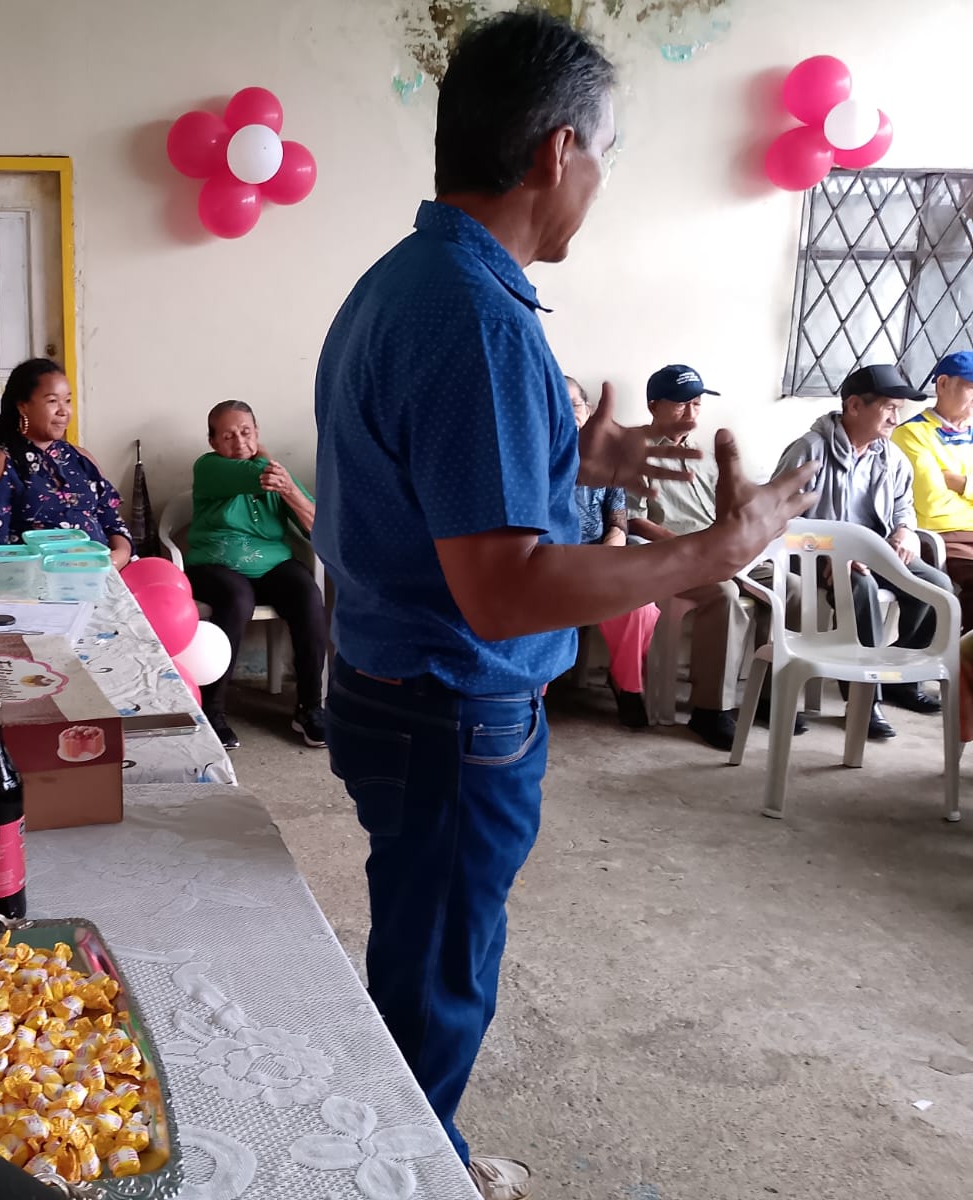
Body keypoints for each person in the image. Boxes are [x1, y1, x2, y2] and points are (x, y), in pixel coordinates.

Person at [312, 12, 816, 1197]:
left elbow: (434, 490)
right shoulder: (476, 318)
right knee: (441, 976)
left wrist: (572, 465)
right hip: (450, 709)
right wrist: (715, 549)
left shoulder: (412, 281)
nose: (599, 182)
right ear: (557, 150)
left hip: (397, 689)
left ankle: (415, 1146)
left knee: (424, 947)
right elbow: (503, 593)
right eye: (605, 155)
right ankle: (409, 1171)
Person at [774, 363, 950, 739]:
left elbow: (903, 507)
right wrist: (829, 553)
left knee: (938, 588)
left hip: (874, 553)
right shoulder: (810, 450)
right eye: (888, 408)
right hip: (813, 558)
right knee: (860, 586)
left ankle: (899, 680)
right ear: (854, 406)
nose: (896, 418)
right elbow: (778, 522)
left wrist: (904, 531)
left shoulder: (890, 456)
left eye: (898, 409)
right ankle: (864, 701)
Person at [626, 364, 776, 749]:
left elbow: (726, 511)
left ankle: (768, 696)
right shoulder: (634, 452)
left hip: (717, 551)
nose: (691, 413)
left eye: (696, 403)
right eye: (680, 404)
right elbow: (633, 521)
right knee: (723, 595)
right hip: (670, 556)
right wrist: (689, 547)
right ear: (653, 405)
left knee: (787, 586)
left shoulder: (704, 456)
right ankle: (710, 710)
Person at [185, 401, 328, 750]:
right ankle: (212, 711)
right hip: (214, 566)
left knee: (307, 593)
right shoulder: (209, 467)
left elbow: (317, 526)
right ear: (213, 442)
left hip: (270, 566)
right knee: (237, 598)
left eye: (246, 432)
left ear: (257, 432)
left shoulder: (276, 474)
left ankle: (310, 708)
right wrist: (267, 458)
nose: (239, 442)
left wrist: (290, 490)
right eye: (228, 436)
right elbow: (257, 474)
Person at [0, 359, 133, 569]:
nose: (63, 411)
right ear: (23, 406)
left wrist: (118, 556)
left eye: (67, 400)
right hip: (33, 582)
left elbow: (113, 523)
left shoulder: (82, 459)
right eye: (53, 401)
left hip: (99, 574)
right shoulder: (0, 462)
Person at [567, 377, 656, 727]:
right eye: (555, 406)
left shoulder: (608, 461)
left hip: (600, 557)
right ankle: (534, 692)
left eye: (573, 405)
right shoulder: (534, 458)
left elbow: (618, 521)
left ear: (588, 411)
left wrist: (608, 552)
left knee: (639, 607)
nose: (566, 413)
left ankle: (626, 684)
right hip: (552, 562)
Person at [893, 351, 973, 631]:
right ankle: (956, 648)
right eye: (972, 388)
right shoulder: (911, 434)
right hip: (944, 536)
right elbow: (932, 503)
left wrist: (960, 483)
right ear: (943, 384)